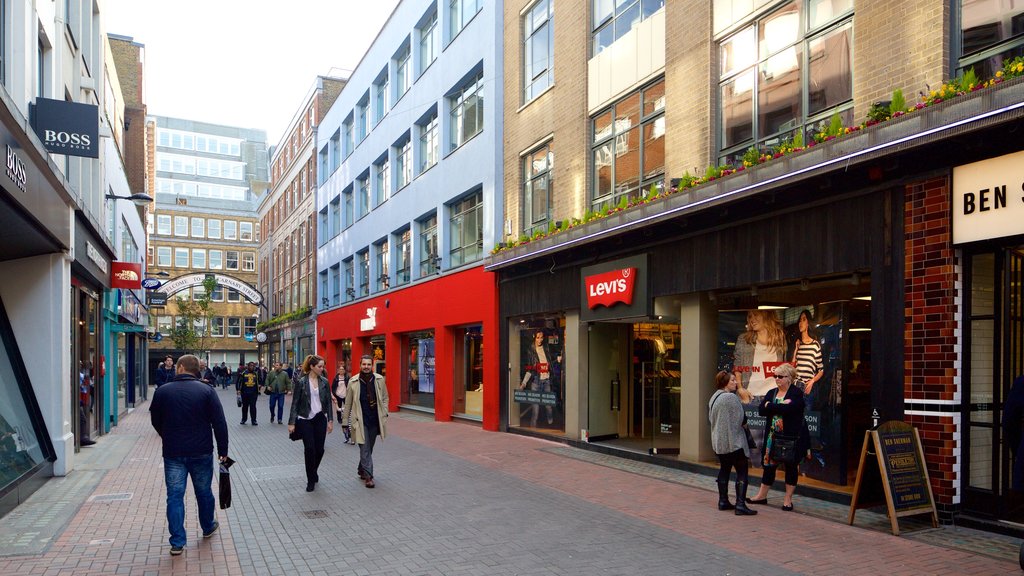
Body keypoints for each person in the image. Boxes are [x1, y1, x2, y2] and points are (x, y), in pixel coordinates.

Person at [149, 354, 229, 556]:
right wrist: (223, 452)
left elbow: (155, 419)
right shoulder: (207, 391)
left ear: (181, 367)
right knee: (203, 492)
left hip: (173, 452)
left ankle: (177, 541)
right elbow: (219, 423)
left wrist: (166, 434)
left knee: (174, 496)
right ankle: (208, 525)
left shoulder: (163, 391)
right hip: (201, 450)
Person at [747, 363, 807, 511]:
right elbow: (761, 410)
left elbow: (791, 410)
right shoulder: (771, 392)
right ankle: (761, 496)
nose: (777, 379)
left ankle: (787, 499)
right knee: (768, 465)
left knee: (790, 467)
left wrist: (771, 406)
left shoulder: (796, 393)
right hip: (771, 437)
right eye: (775, 376)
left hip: (789, 437)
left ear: (789, 378)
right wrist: (776, 406)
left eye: (780, 376)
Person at [708, 371, 757, 516]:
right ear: (725, 383)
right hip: (734, 442)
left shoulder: (714, 396)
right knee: (742, 472)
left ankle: (723, 501)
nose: (736, 382)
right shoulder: (731, 398)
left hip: (720, 442)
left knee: (724, 469)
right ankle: (740, 505)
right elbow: (742, 419)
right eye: (733, 380)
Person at [288, 355, 334, 492]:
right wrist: (291, 422)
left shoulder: (325, 382)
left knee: (320, 449)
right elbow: (295, 403)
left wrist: (330, 420)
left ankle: (313, 471)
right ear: (312, 367)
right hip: (305, 419)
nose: (322, 369)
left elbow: (328, 403)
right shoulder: (301, 382)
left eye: (323, 366)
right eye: (319, 366)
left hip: (320, 418)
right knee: (310, 449)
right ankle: (310, 480)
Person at [343, 354, 389, 488]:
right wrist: (345, 421)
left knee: (369, 447)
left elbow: (385, 397)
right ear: (360, 365)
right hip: (360, 420)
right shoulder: (353, 382)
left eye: (369, 364)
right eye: (364, 364)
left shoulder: (379, 380)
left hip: (375, 420)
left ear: (372, 365)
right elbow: (348, 403)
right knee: (364, 447)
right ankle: (369, 477)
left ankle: (361, 468)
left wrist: (385, 412)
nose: (366, 367)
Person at [733, 310, 787, 400]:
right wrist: (740, 389)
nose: (752, 319)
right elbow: (737, 367)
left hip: (775, 397)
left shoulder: (779, 339)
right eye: (750, 316)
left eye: (756, 315)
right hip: (750, 397)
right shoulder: (744, 340)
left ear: (766, 315)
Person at [519, 330, 559, 427]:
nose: (540, 340)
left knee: (548, 407)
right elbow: (529, 368)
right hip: (536, 381)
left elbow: (551, 361)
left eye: (541, 337)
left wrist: (557, 359)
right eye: (538, 337)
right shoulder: (531, 351)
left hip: (546, 381)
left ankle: (551, 422)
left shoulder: (546, 348)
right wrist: (523, 383)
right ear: (534, 338)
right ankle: (533, 429)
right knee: (535, 409)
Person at [791, 309, 824, 397]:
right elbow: (792, 367)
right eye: (800, 320)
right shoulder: (797, 343)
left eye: (804, 319)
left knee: (807, 410)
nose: (801, 323)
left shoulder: (815, 345)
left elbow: (821, 370)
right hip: (796, 386)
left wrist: (813, 381)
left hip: (808, 387)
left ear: (808, 322)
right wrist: (795, 350)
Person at [331, 361, 353, 444]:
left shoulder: (347, 377)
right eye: (340, 369)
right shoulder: (336, 378)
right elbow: (333, 386)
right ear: (338, 371)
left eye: (343, 369)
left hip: (345, 394)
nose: (341, 371)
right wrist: (333, 394)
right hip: (338, 394)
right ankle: (339, 418)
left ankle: (347, 418)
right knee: (339, 407)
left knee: (347, 407)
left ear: (344, 371)